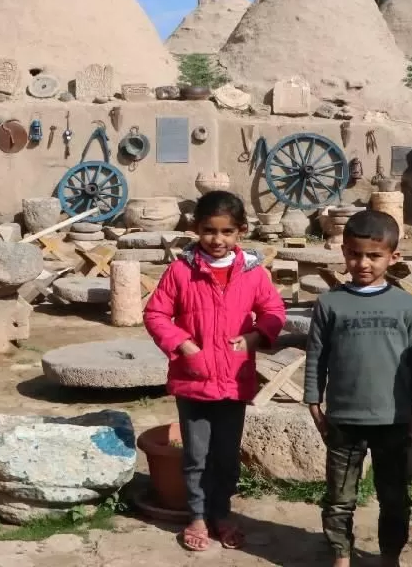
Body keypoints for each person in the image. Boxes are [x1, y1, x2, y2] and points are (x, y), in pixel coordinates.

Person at [144, 190, 285, 552]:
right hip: (193, 381)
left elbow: (274, 312)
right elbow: (156, 314)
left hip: (235, 382)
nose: (217, 240)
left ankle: (221, 513)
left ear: (241, 231)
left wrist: (255, 337)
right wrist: (183, 345)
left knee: (225, 454)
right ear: (195, 229)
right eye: (209, 231)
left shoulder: (253, 274)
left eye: (226, 232)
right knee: (196, 455)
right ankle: (195, 515)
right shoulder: (181, 271)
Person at [303, 210, 412, 567]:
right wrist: (314, 401)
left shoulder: (405, 304)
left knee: (394, 498)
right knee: (340, 497)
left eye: (374, 256)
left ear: (394, 256)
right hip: (343, 418)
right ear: (343, 251)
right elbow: (316, 356)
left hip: (393, 419)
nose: (363, 263)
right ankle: (341, 556)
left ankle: (390, 556)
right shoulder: (329, 303)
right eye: (354, 254)